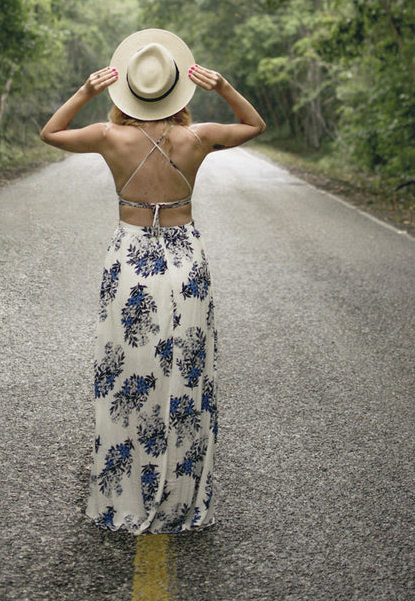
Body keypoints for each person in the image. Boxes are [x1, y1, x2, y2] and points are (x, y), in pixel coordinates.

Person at [40, 29, 266, 534]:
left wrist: (85, 92)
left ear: (129, 93)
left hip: (130, 261)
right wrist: (224, 87)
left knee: (127, 371)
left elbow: (49, 134)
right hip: (186, 260)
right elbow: (256, 124)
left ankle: (127, 488)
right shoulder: (198, 137)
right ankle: (181, 495)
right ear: (176, 91)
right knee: (185, 374)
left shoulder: (108, 136)